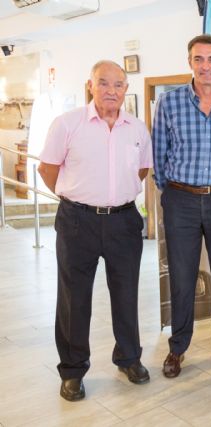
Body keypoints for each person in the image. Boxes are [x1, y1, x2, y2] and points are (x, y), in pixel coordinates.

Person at [38, 60, 153, 401]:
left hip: (123, 221)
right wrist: (76, 197)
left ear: (126, 89)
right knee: (74, 298)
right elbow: (47, 169)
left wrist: (113, 196)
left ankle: (129, 358)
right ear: (91, 86)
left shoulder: (137, 129)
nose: (110, 90)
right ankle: (73, 371)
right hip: (78, 221)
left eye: (118, 84)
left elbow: (142, 171)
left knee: (126, 293)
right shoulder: (67, 124)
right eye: (103, 83)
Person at [152, 35, 211, 378]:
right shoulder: (169, 103)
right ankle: (177, 348)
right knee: (182, 278)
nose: (205, 66)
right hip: (181, 199)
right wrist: (173, 192)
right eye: (198, 59)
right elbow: (158, 154)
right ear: (190, 62)